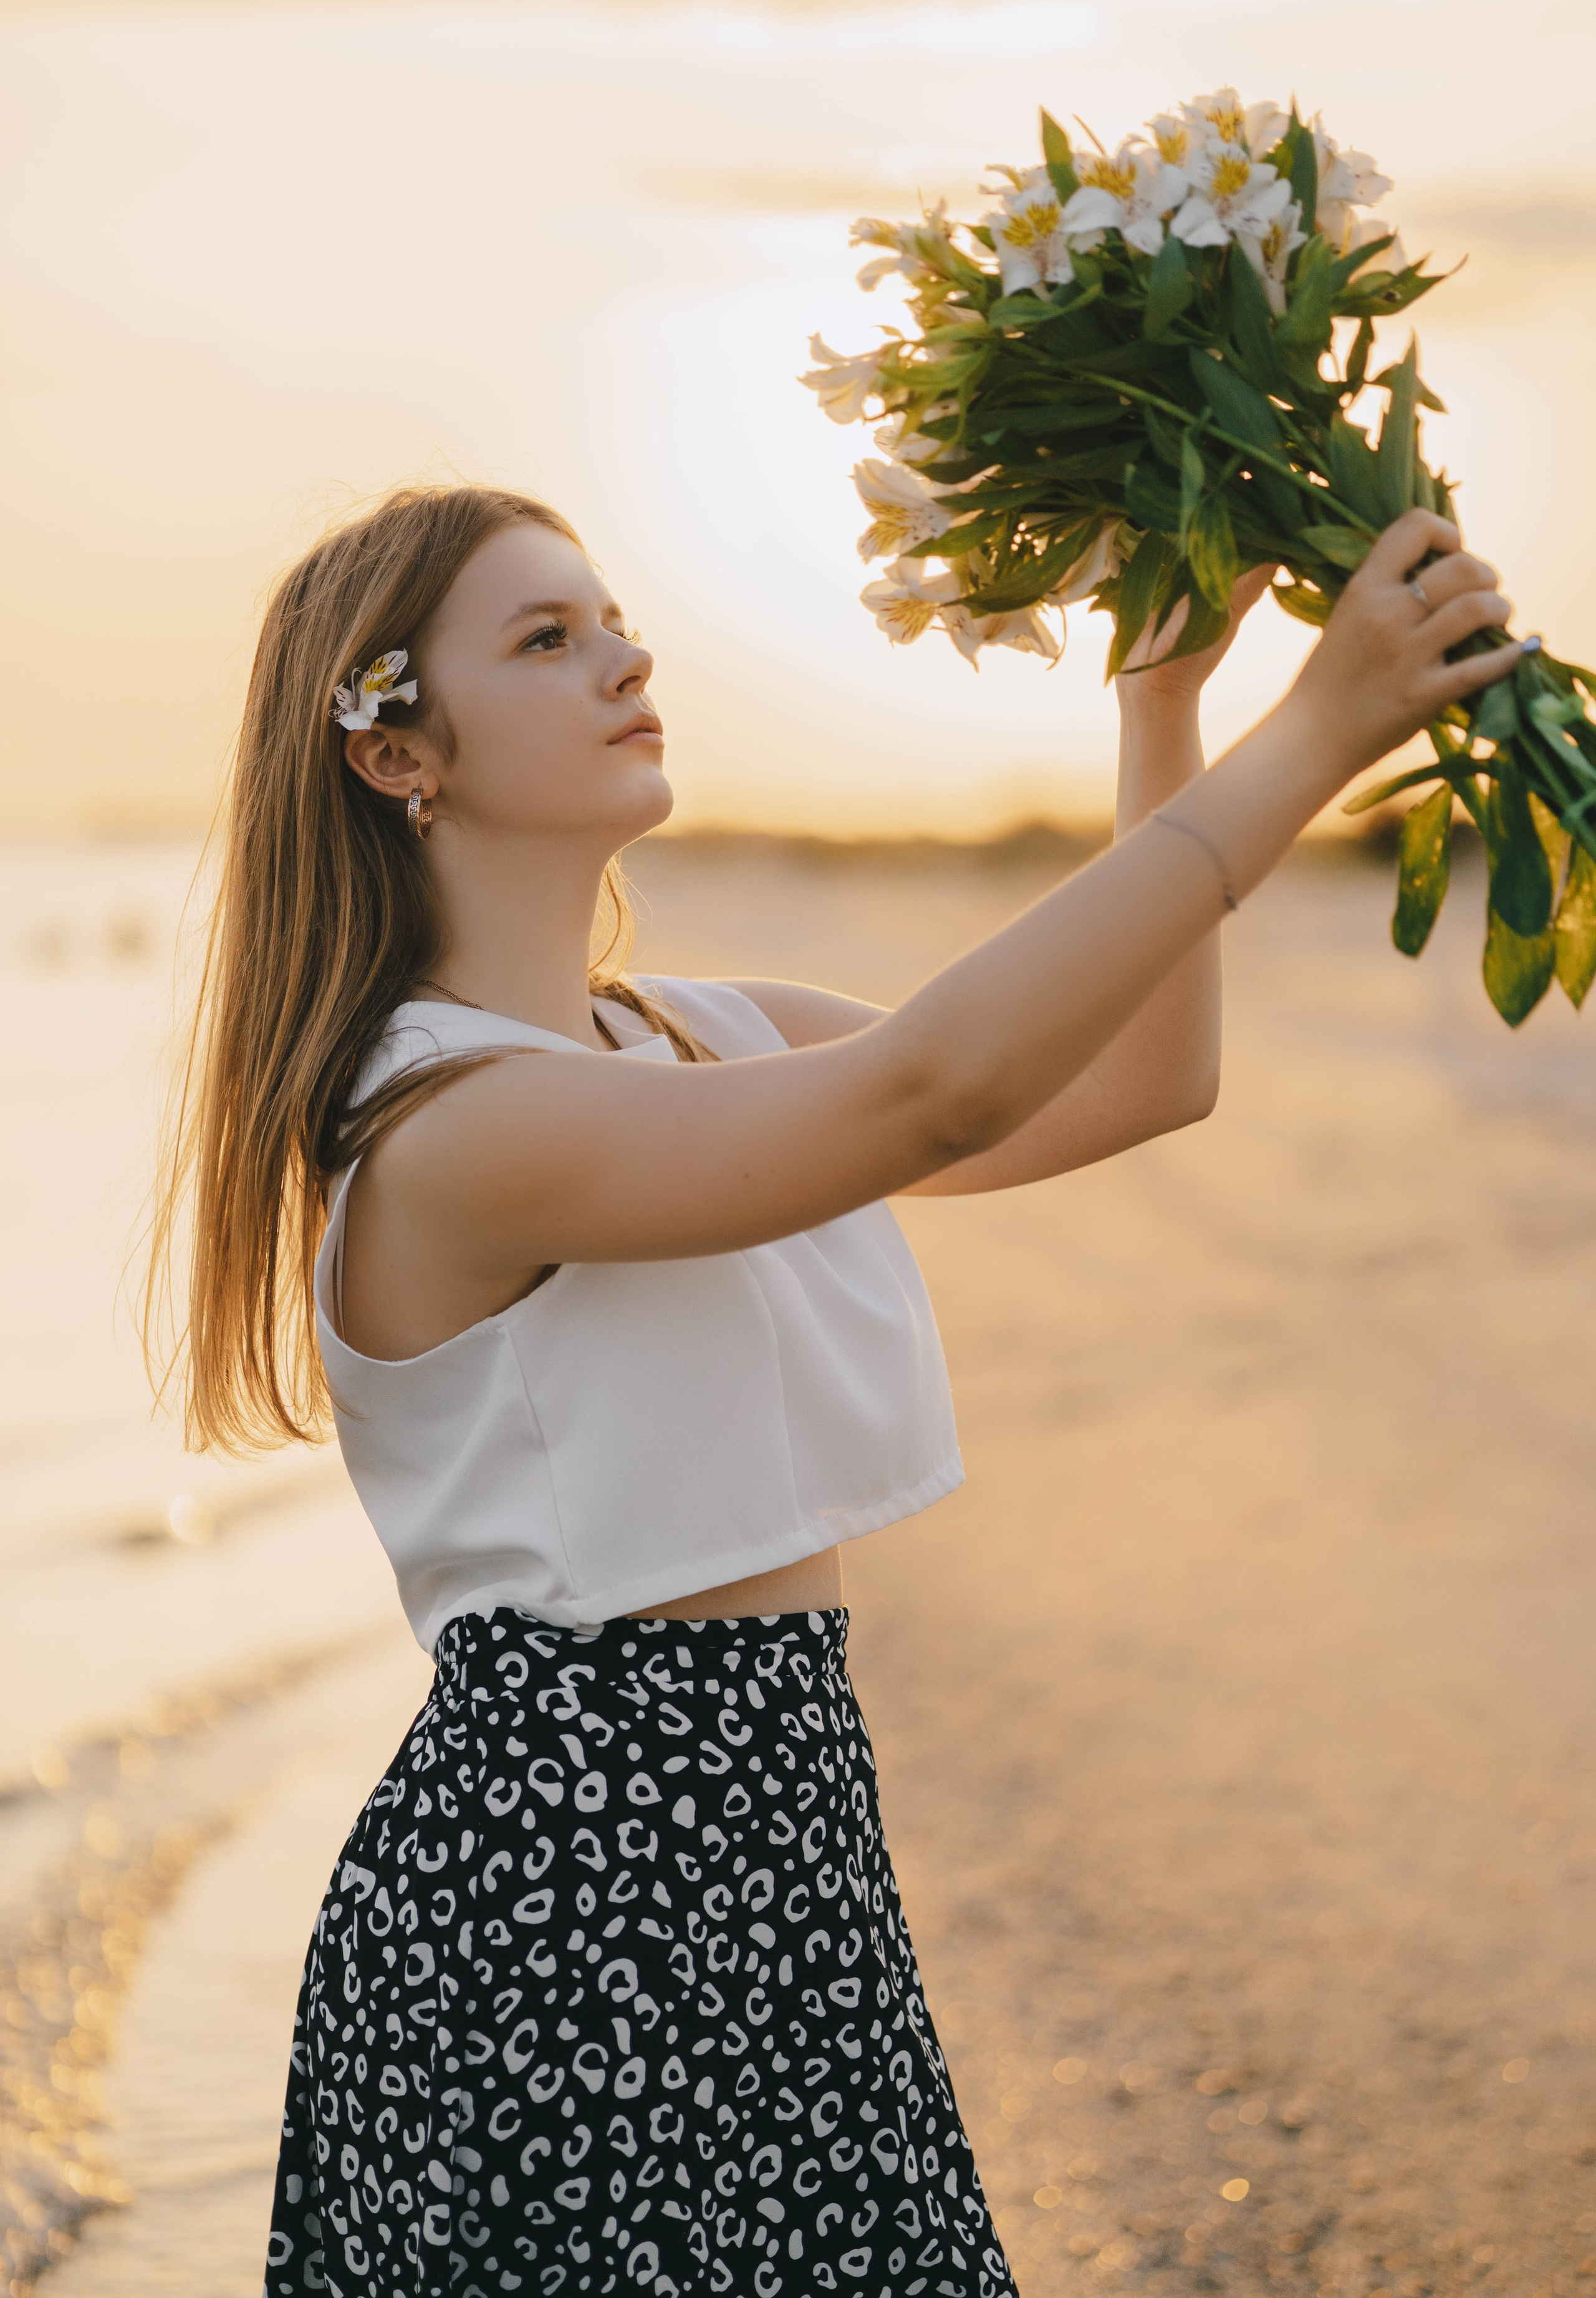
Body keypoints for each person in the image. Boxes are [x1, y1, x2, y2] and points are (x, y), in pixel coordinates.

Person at [147, 483, 1517, 2298]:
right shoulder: (449, 1128)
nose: (626, 656)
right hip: (562, 1912)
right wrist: (1318, 735)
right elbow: (933, 1092)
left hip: (782, 1854)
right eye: (548, 639)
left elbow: (1138, 1082)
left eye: (614, 616)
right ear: (396, 749)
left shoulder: (706, 1032)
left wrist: (1160, 708)